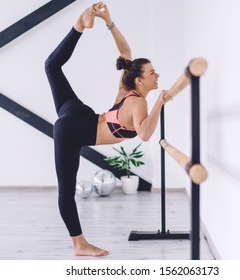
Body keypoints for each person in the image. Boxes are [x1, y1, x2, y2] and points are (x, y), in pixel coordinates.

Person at [45, 2, 167, 257]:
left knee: (51, 67)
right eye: (152, 73)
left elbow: (126, 51)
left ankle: (79, 26)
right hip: (74, 128)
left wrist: (108, 21)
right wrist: (160, 103)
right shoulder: (138, 101)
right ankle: (79, 244)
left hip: (78, 114)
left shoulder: (127, 89)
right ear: (140, 79)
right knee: (66, 190)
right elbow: (144, 134)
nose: (157, 75)